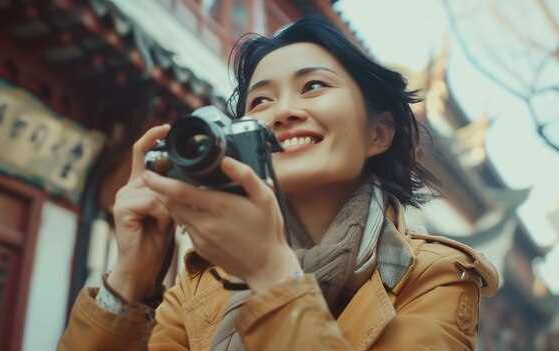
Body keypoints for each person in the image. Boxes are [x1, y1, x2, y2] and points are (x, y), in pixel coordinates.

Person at [58, 16, 498, 350]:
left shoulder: (435, 276)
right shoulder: (203, 281)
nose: (283, 112)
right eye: (261, 100)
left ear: (378, 134)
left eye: (313, 87)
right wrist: (130, 277)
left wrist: (271, 272)